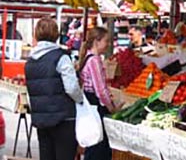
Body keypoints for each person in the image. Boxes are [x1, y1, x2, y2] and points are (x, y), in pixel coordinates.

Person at [25, 18, 83, 160]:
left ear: (36, 34)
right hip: (63, 118)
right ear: (56, 34)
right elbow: (71, 88)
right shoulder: (61, 57)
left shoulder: (30, 61)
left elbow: (30, 91)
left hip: (42, 119)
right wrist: (80, 100)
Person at [79, 27, 124, 160]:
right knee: (99, 147)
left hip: (89, 104)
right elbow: (100, 90)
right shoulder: (94, 60)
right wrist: (111, 108)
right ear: (96, 42)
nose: (108, 44)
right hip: (96, 107)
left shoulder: (87, 57)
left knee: (94, 144)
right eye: (106, 41)